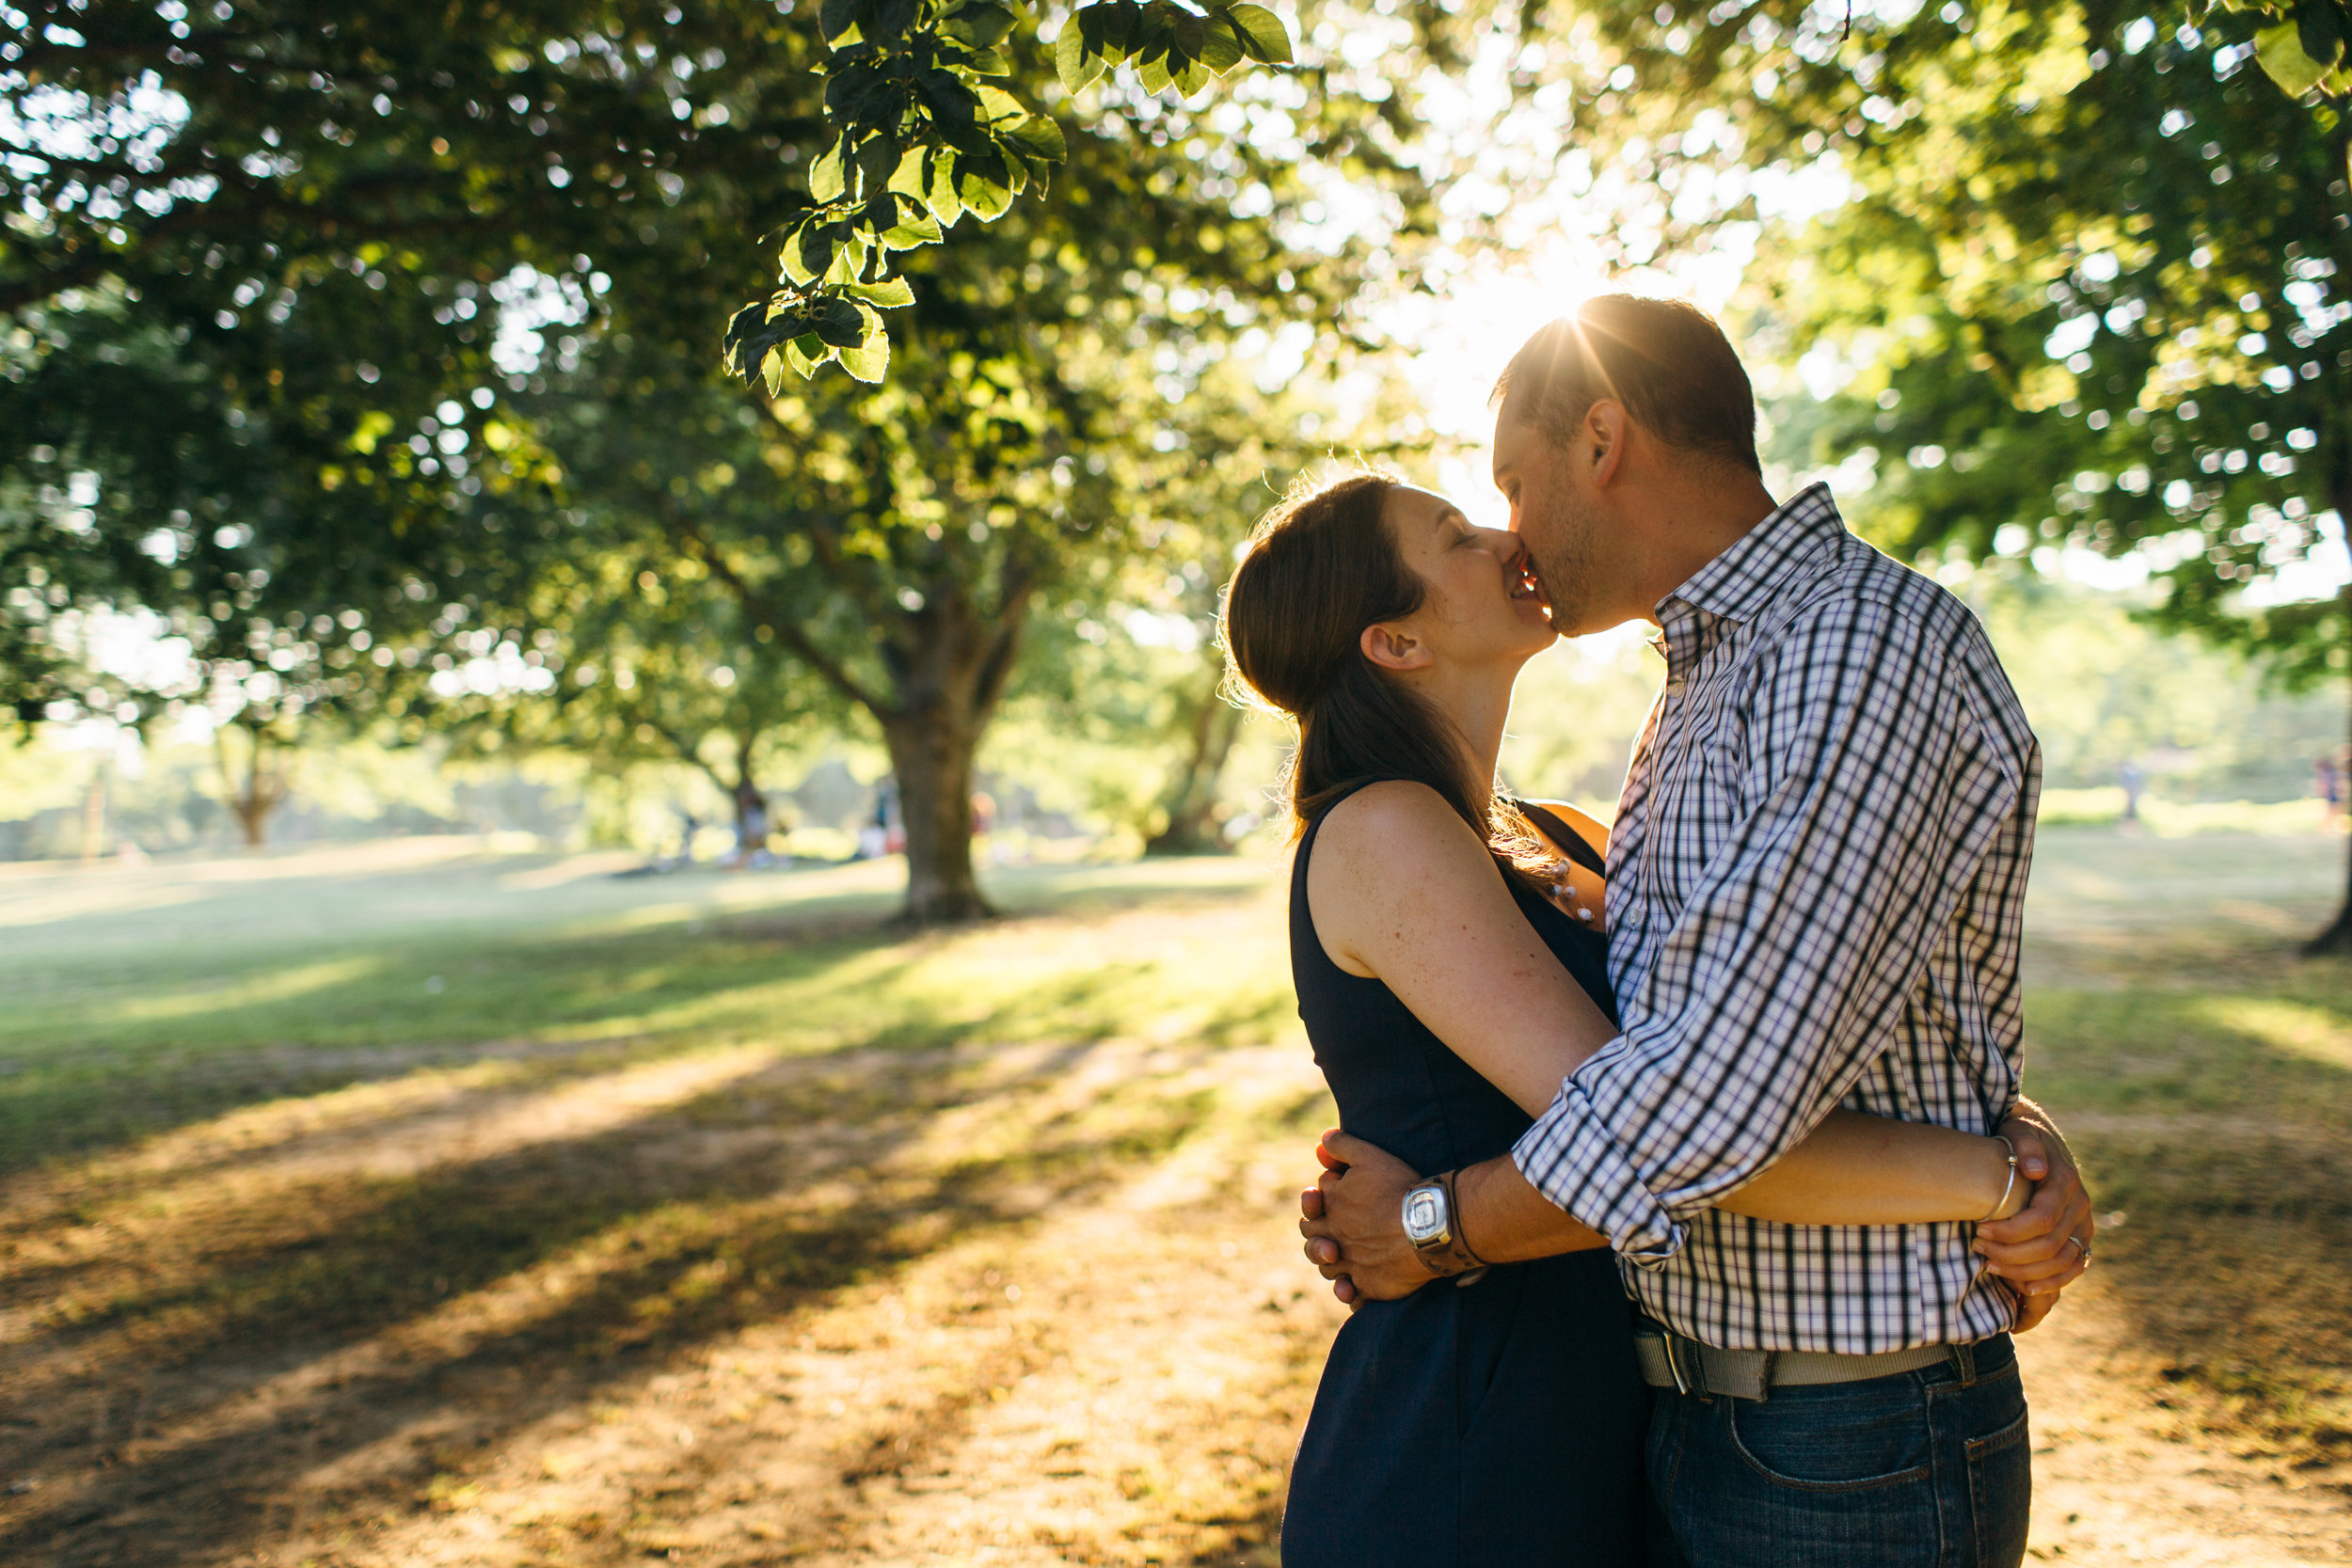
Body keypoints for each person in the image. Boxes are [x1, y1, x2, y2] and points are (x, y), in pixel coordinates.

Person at [1248, 297, 2092, 1567]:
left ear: (1602, 439)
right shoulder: (1697, 687)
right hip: (1559, 1427)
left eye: (1509, 488)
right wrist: (1995, 1166)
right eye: (1471, 524)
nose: (1510, 532)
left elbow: (1716, 1082)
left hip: (1829, 1422)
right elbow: (1720, 1057)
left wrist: (1436, 1221)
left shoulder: (1842, 651)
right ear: (1396, 639)